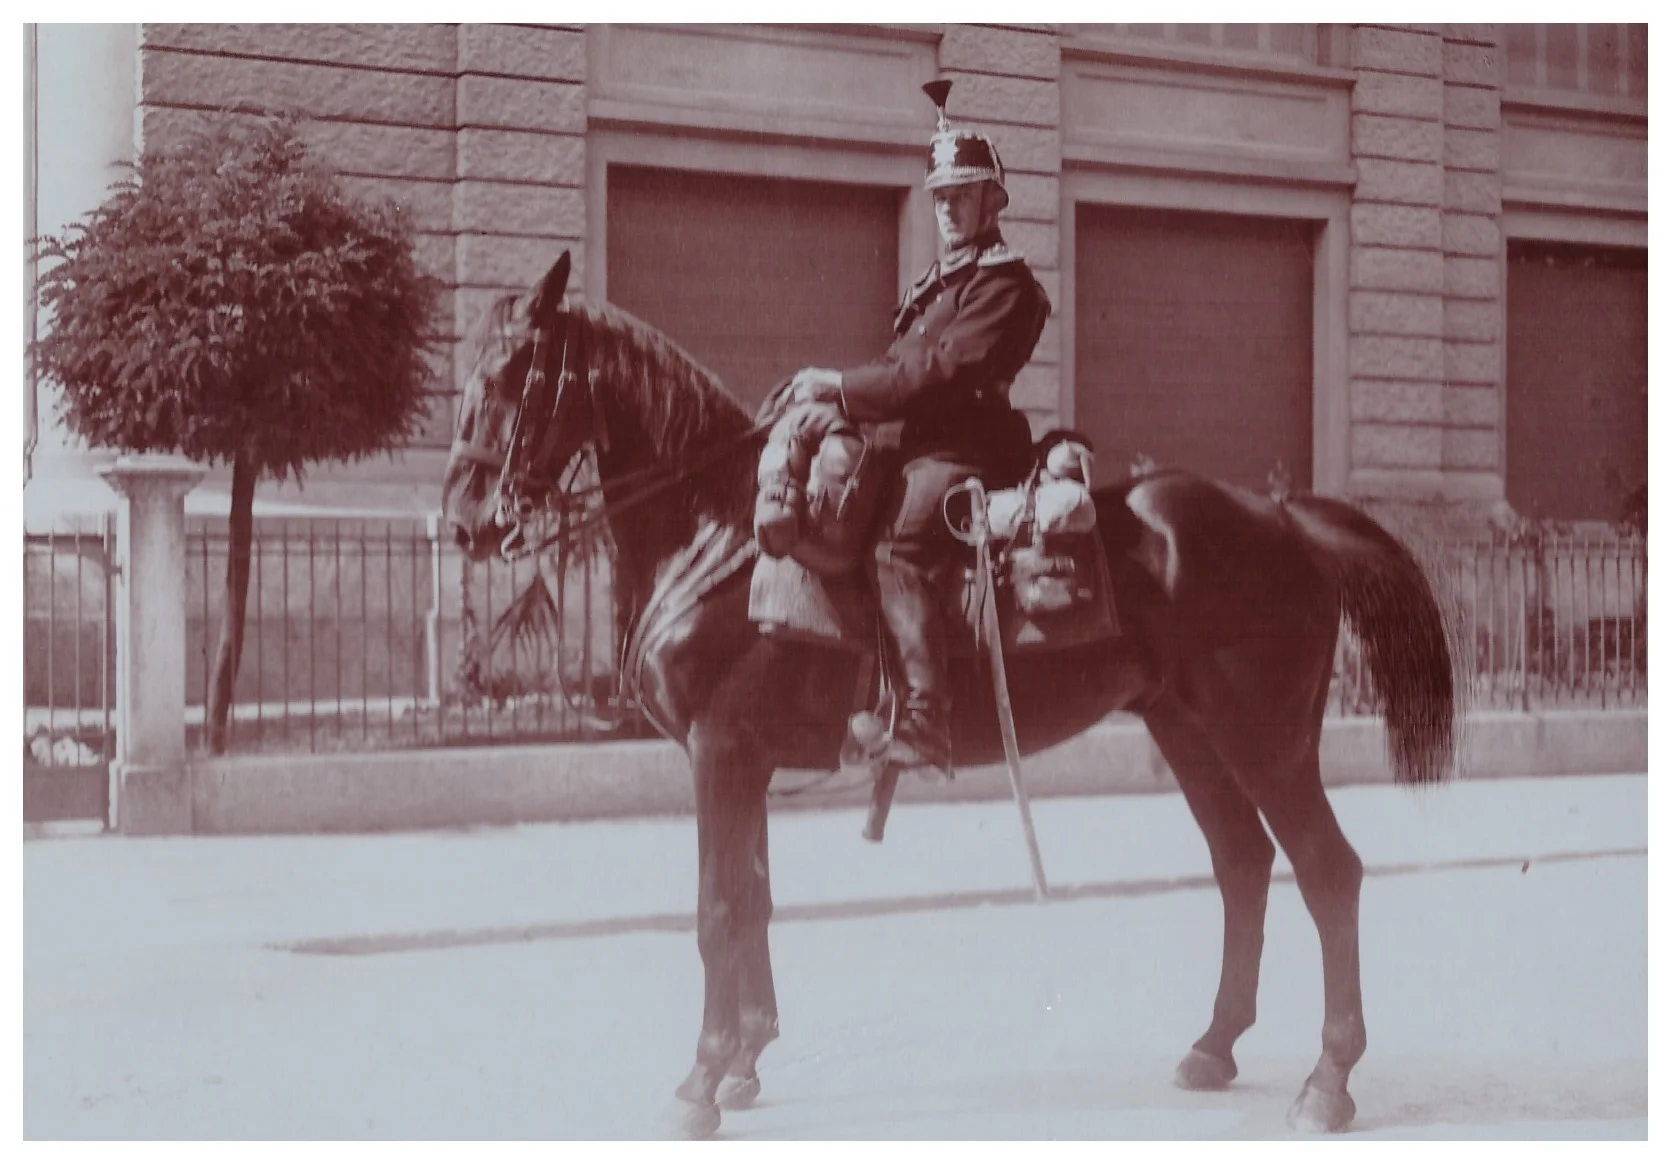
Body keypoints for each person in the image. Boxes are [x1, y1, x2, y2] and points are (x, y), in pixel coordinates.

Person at [787, 79, 1051, 779]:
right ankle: (864, 690)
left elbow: (940, 372)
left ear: (991, 201)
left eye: (961, 195)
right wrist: (833, 406)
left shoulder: (1006, 284)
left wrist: (840, 384)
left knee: (896, 547)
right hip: (913, 443)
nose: (947, 209)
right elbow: (897, 366)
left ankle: (929, 718)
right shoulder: (933, 284)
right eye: (939, 196)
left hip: (969, 448)